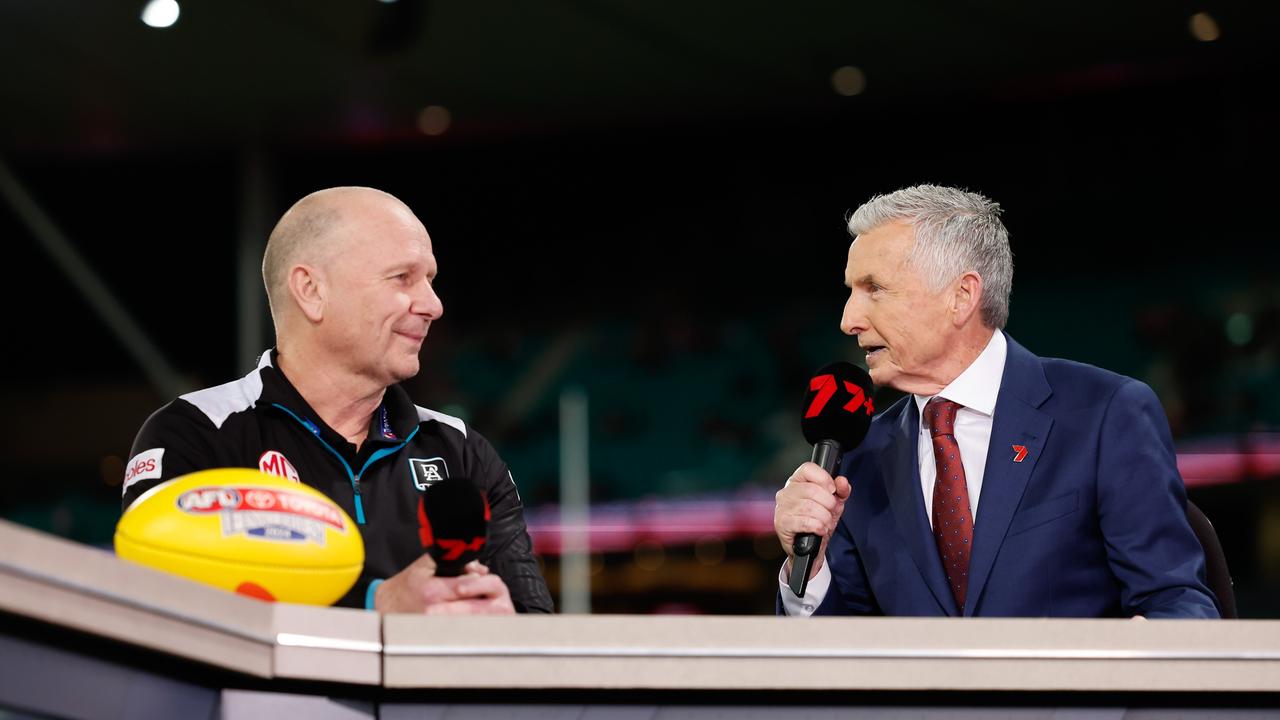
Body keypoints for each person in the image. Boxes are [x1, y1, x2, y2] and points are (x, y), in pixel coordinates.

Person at [773, 184, 1219, 618]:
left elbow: (1175, 603)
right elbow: (841, 655)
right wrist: (806, 569)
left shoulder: (1104, 413)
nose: (849, 319)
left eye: (875, 289)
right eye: (851, 291)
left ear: (962, 296)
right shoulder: (860, 456)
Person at [122, 186, 554, 614]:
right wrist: (376, 606)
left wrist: (506, 625)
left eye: (430, 280)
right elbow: (169, 618)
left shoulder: (461, 450)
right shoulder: (195, 433)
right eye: (402, 277)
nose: (432, 304)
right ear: (311, 290)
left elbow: (539, 632)